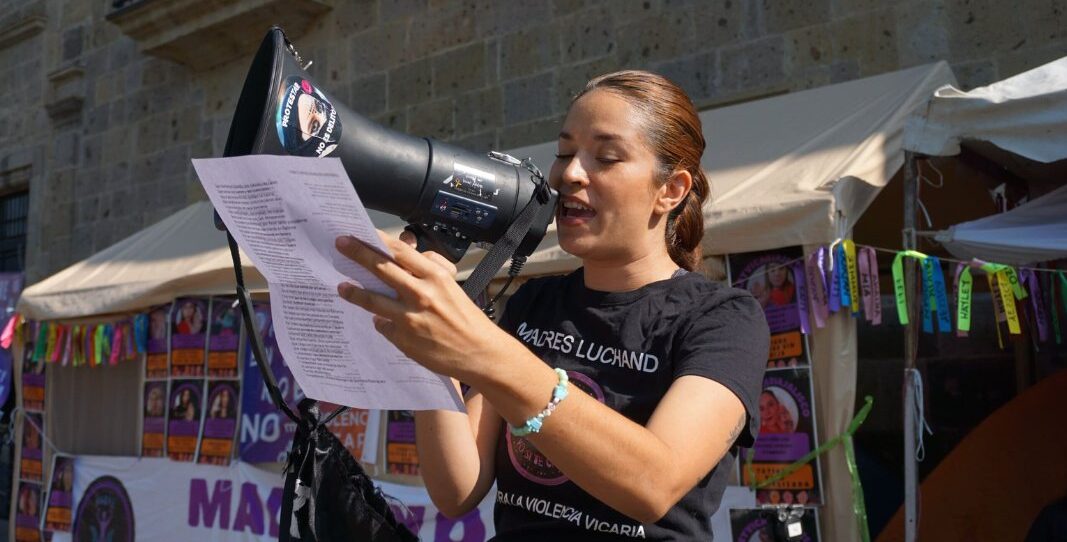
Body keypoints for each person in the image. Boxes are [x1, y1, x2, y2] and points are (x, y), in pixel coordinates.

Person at [335, 70, 769, 540]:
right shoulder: (536, 302)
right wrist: (430, 346)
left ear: (671, 189)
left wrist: (480, 348)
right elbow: (457, 489)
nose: (568, 174)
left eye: (604, 157)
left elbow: (653, 483)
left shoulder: (723, 319)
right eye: (564, 154)